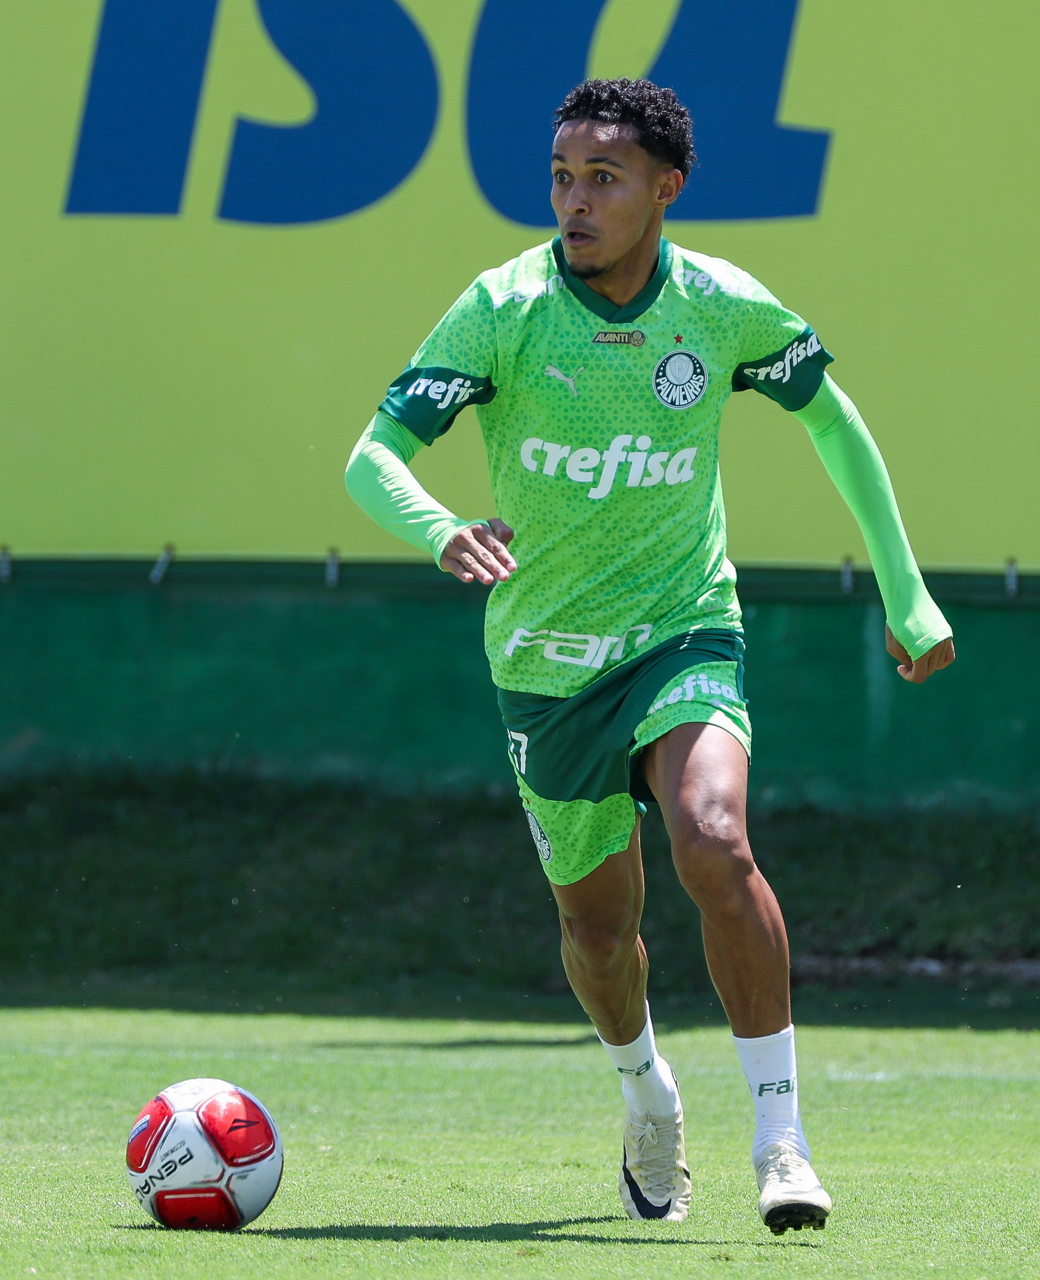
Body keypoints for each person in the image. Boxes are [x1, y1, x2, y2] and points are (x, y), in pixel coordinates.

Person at [346, 78, 954, 1234]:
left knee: (712, 839)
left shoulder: (718, 305)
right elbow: (371, 456)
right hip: (545, 664)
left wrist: (905, 588)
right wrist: (438, 526)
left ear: (664, 188)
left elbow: (831, 418)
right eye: (560, 177)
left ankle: (780, 1139)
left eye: (603, 178)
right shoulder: (503, 308)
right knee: (596, 930)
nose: (573, 200)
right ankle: (645, 1093)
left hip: (683, 631)